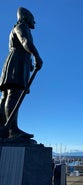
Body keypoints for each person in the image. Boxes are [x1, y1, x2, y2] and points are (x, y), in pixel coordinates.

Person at [0, 7, 43, 139]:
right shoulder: (21, 26)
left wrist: (29, 64)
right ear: (26, 17)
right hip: (17, 62)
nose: (34, 23)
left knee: (7, 95)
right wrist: (36, 55)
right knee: (13, 94)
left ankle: (3, 128)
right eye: (33, 19)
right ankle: (12, 129)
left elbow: (22, 44)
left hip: (17, 61)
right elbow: (25, 41)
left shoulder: (19, 27)